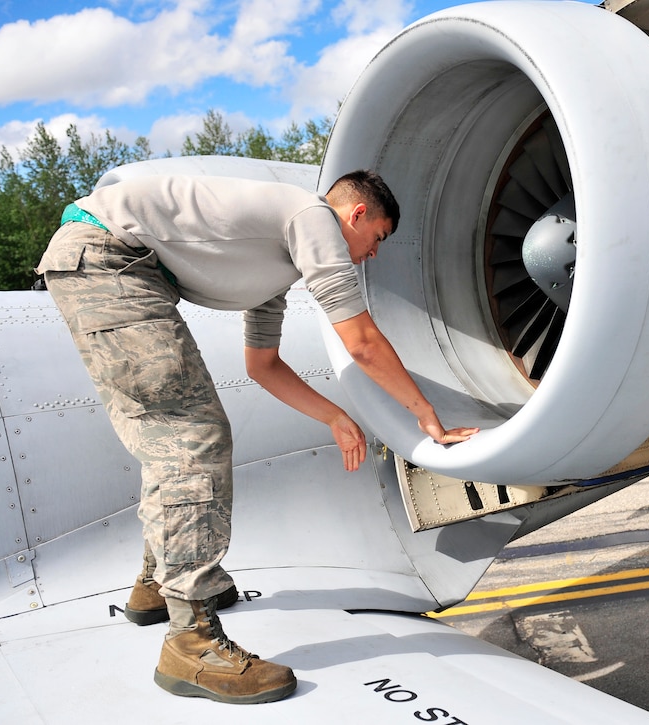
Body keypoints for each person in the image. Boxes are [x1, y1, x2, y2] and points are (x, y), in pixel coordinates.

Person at [35, 169, 478, 705]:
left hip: (107, 263)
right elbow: (360, 340)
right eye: (377, 239)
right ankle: (192, 642)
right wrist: (427, 416)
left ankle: (158, 584)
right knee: (191, 439)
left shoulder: (277, 264)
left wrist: (334, 417)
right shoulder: (312, 218)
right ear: (356, 216)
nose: (372, 255)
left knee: (171, 438)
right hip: (110, 261)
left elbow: (262, 365)